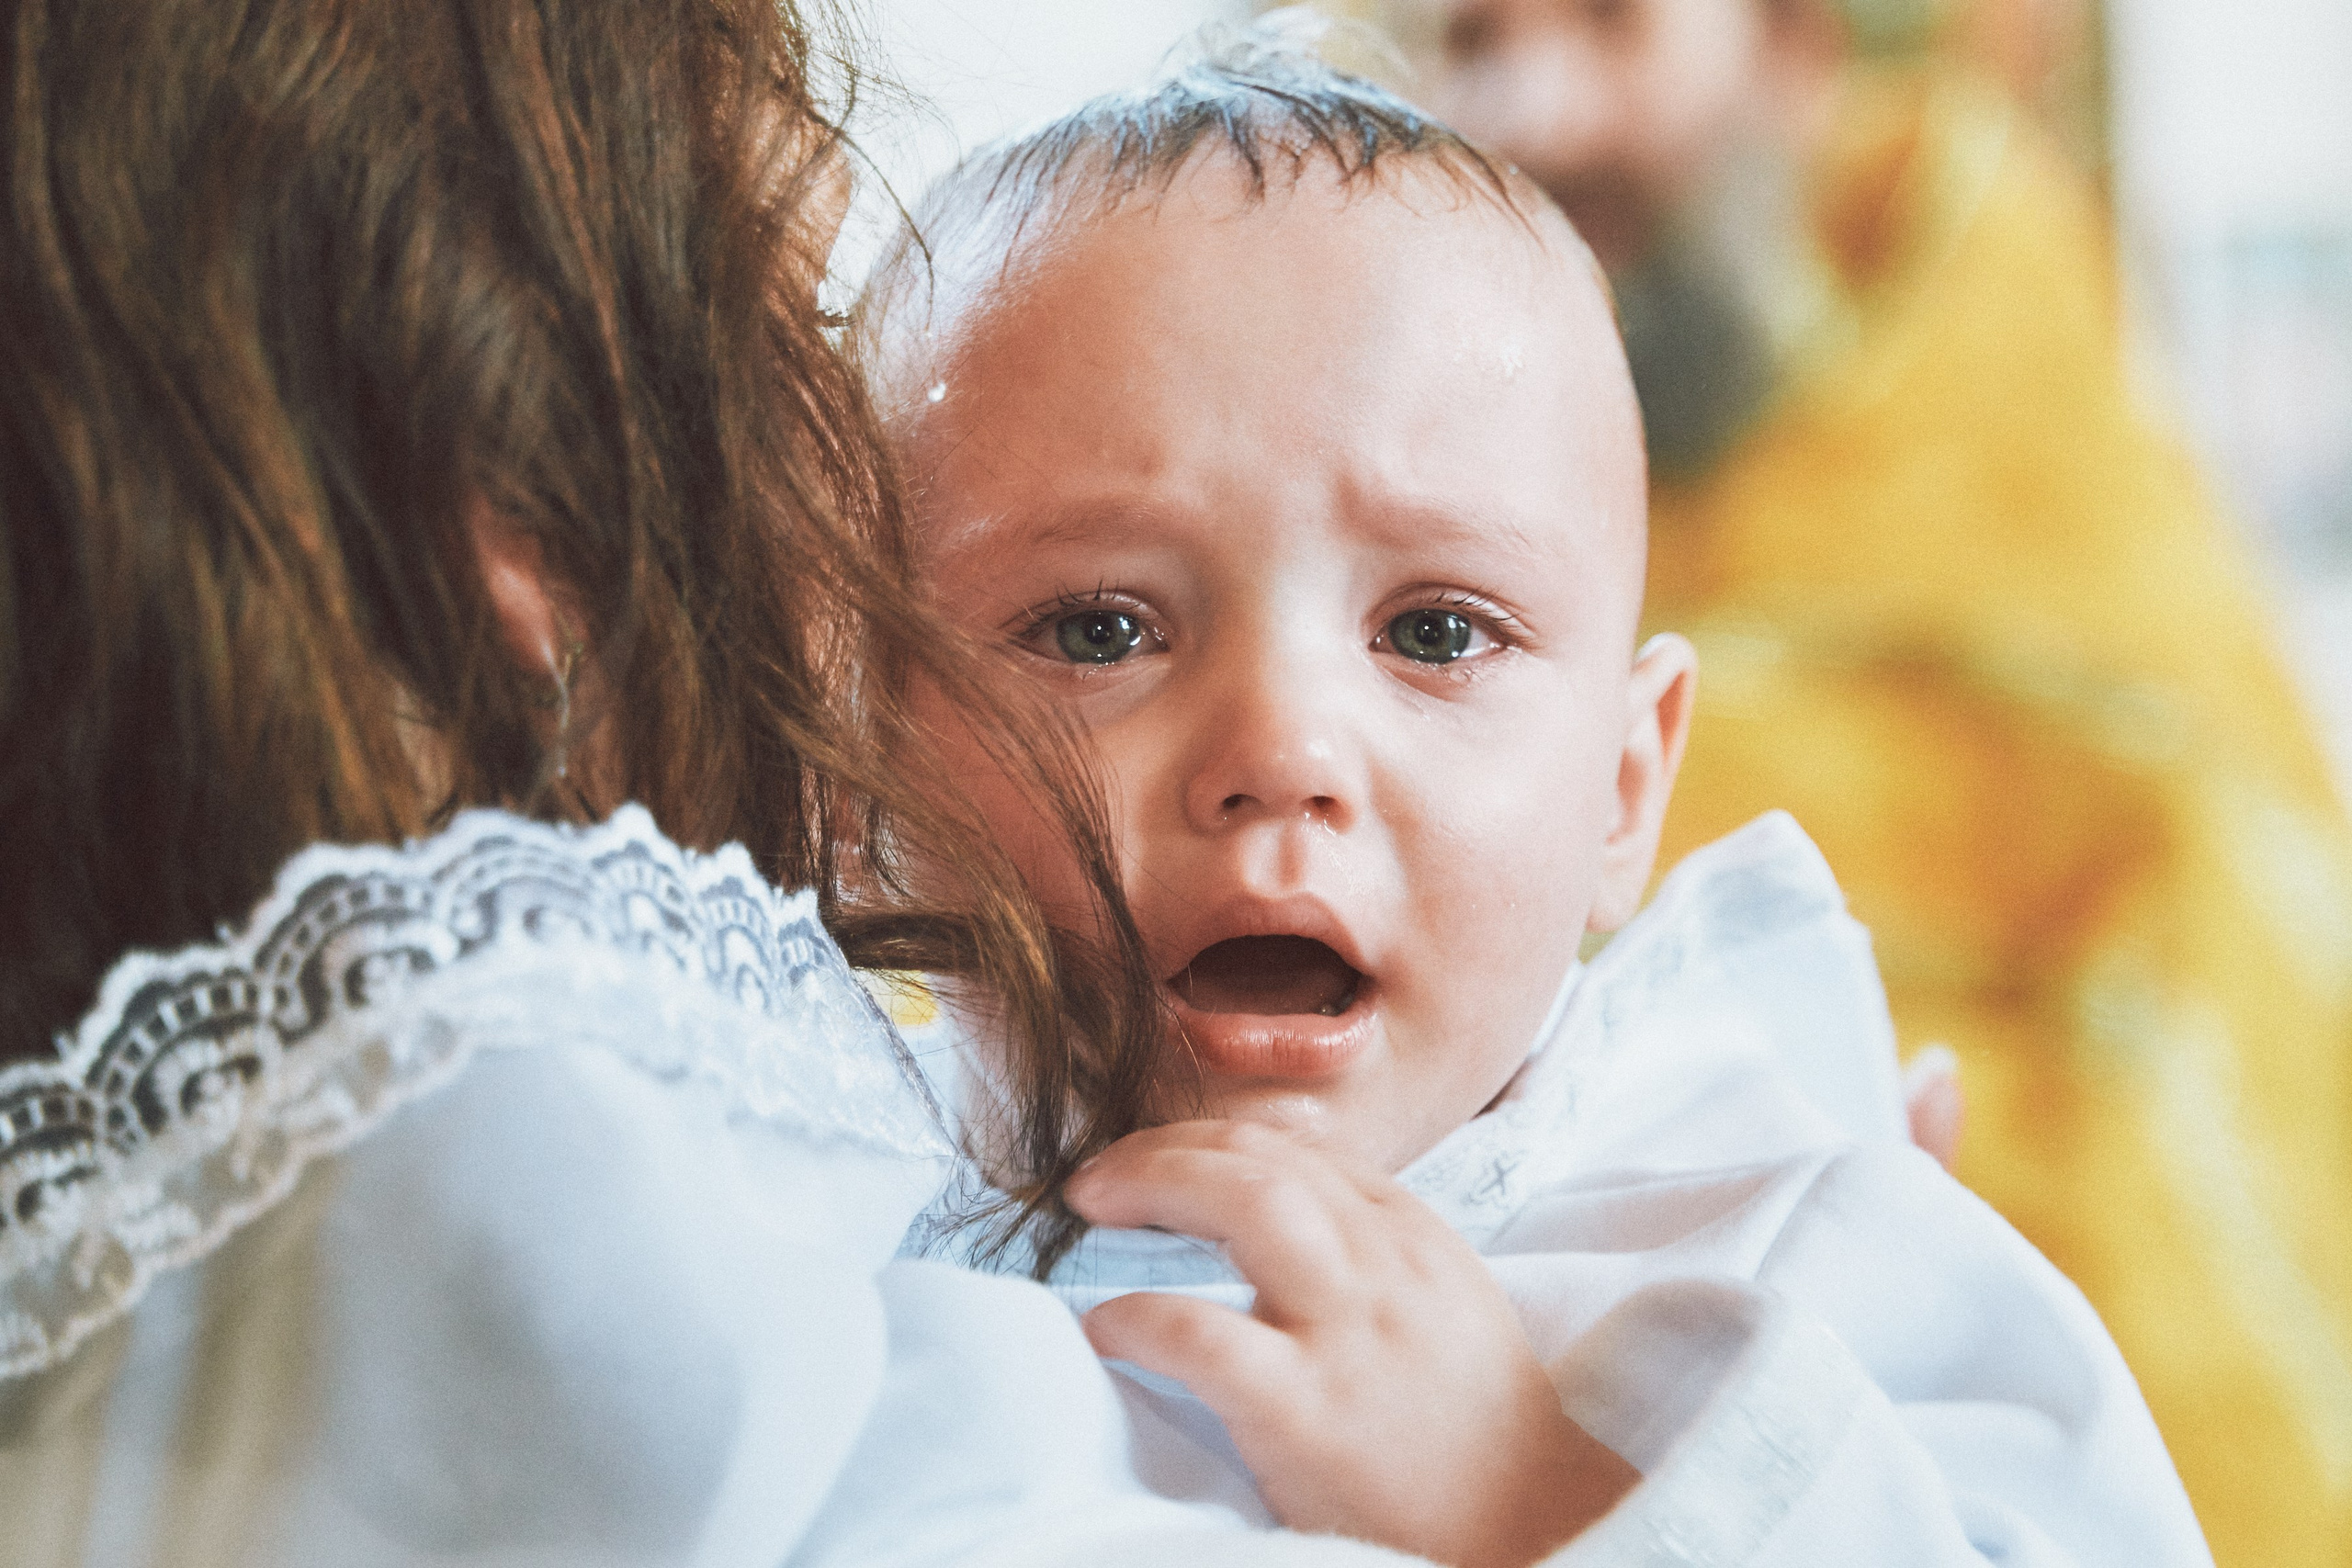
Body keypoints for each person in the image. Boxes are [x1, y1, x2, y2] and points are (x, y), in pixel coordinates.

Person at [0, 3, 1463, 1563]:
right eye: (813, 338)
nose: (1286, 760)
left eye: (1438, 633)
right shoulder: (549, 1205)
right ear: (527, 527)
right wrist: (1548, 1516)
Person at [859, 39, 2211, 1566]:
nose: (1284, 750)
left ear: (1626, 794)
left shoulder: (1780, 1255)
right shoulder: (805, 1242)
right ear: (853, 759)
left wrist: (1535, 1497)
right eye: (1101, 628)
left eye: (1436, 633)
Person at [1375, 1, 2352, 1560]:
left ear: (1792, 54)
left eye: (1613, 25)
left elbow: (2224, 1006)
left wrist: (1823, 1193)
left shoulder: (2005, 390)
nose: (1535, 109)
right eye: (1477, 36)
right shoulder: (1380, 473)